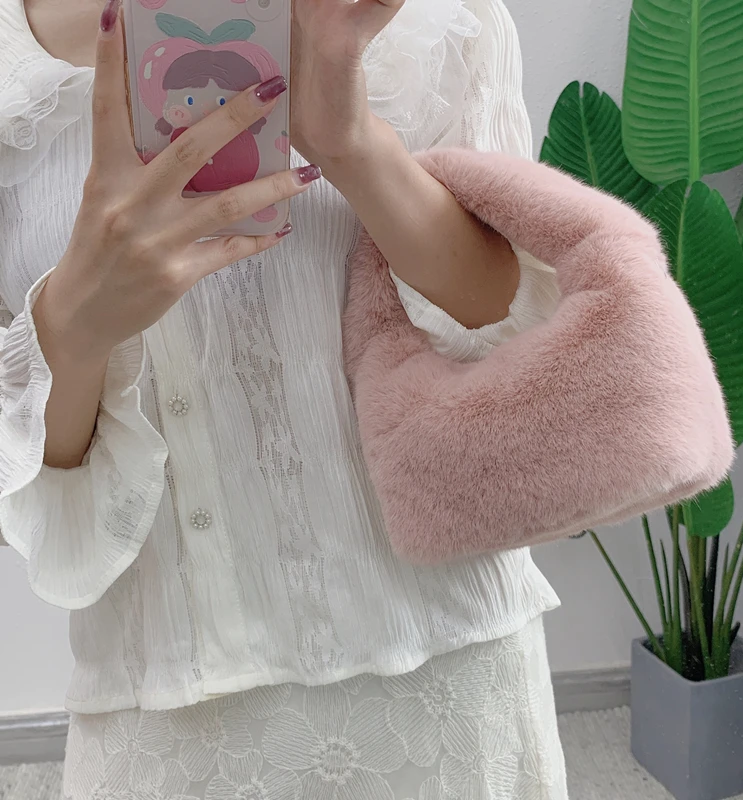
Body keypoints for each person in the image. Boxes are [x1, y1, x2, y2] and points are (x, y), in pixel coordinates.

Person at [0, 0, 571, 797]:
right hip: (164, 724)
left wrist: (351, 143)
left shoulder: (425, 22)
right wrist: (73, 326)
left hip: (451, 686)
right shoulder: (13, 68)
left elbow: (516, 346)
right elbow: (39, 483)